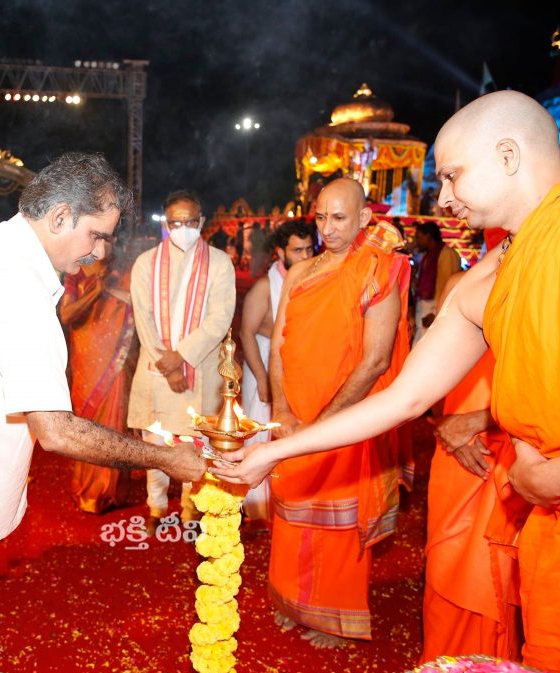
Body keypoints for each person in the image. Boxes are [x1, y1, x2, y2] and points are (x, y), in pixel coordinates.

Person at [215, 91, 560, 673]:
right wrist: (273, 452)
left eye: (455, 176)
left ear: (508, 155)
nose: (445, 195)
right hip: (553, 531)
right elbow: (406, 395)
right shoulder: (495, 270)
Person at [0, 152, 206, 673]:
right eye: (97, 236)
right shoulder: (18, 282)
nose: (100, 253)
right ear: (58, 217)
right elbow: (55, 429)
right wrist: (168, 459)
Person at [265, 178, 410, 648]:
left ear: (364, 217)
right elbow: (278, 347)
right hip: (294, 415)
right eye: (321, 217)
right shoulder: (301, 273)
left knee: (339, 521)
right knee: (293, 514)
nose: (327, 227)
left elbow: (375, 360)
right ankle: (295, 602)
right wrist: (282, 408)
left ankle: (336, 618)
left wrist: (326, 423)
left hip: (345, 416)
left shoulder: (378, 270)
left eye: (340, 217)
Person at [420, 271, 524, 662]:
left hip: (512, 446)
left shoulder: (549, 271)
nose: (448, 204)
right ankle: (440, 666)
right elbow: (432, 372)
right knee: (444, 567)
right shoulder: (462, 281)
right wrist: (446, 425)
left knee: (488, 578)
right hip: (455, 449)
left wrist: (480, 422)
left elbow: (557, 385)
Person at [127, 190, 236, 530]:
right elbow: (143, 319)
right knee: (155, 447)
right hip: (155, 368)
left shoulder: (220, 262)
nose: (184, 228)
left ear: (201, 222)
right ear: (166, 224)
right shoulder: (146, 263)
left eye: (190, 221)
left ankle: (191, 512)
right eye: (176, 222)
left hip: (200, 369)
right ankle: (156, 509)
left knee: (195, 447)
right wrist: (168, 364)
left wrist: (182, 357)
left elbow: (221, 317)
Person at [237, 220, 316, 524]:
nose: (305, 256)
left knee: (291, 435)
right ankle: (258, 509)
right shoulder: (263, 287)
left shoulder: (315, 279)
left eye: (310, 248)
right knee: (260, 435)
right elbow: (246, 334)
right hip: (264, 367)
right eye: (297, 250)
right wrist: (262, 380)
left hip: (298, 368)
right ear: (280, 251)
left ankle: (290, 500)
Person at [60, 240, 138, 514]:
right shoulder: (76, 271)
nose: (102, 244)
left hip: (117, 359)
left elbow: (140, 309)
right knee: (87, 421)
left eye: (108, 237)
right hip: (86, 363)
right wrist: (97, 292)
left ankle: (113, 490)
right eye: (96, 236)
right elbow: (67, 314)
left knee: (116, 420)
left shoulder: (127, 269)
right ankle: (89, 490)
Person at [412, 222, 461, 343]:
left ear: (428, 236)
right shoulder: (427, 256)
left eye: (418, 237)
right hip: (424, 311)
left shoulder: (446, 254)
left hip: (435, 312)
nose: (416, 241)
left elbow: (449, 287)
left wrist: (436, 312)